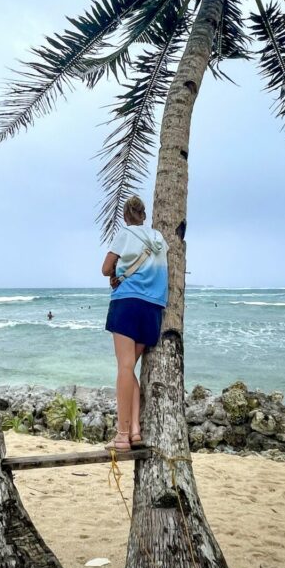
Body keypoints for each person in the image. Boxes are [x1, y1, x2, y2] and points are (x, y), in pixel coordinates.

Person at [101, 194, 168, 452]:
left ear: (126, 217)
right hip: (153, 310)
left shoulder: (125, 233)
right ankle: (136, 432)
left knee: (124, 368)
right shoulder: (159, 239)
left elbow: (105, 268)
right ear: (145, 215)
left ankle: (121, 436)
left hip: (127, 304)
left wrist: (117, 271)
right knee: (129, 369)